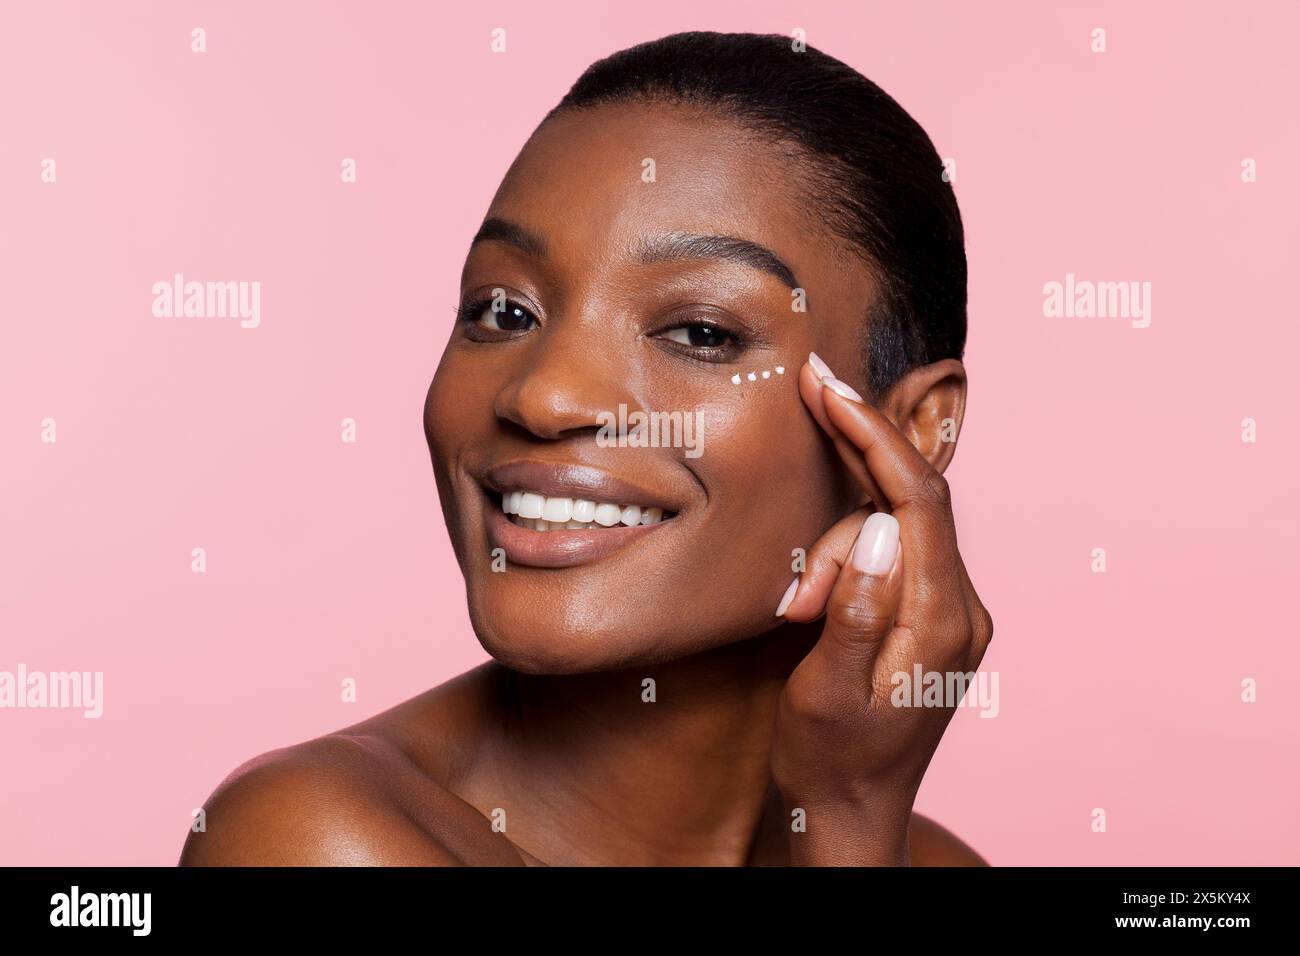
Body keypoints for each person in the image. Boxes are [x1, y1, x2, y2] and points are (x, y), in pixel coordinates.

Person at [181, 31, 993, 866]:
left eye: (700, 332)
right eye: (504, 311)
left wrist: (849, 818)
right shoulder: (317, 841)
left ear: (914, 428)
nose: (542, 397)